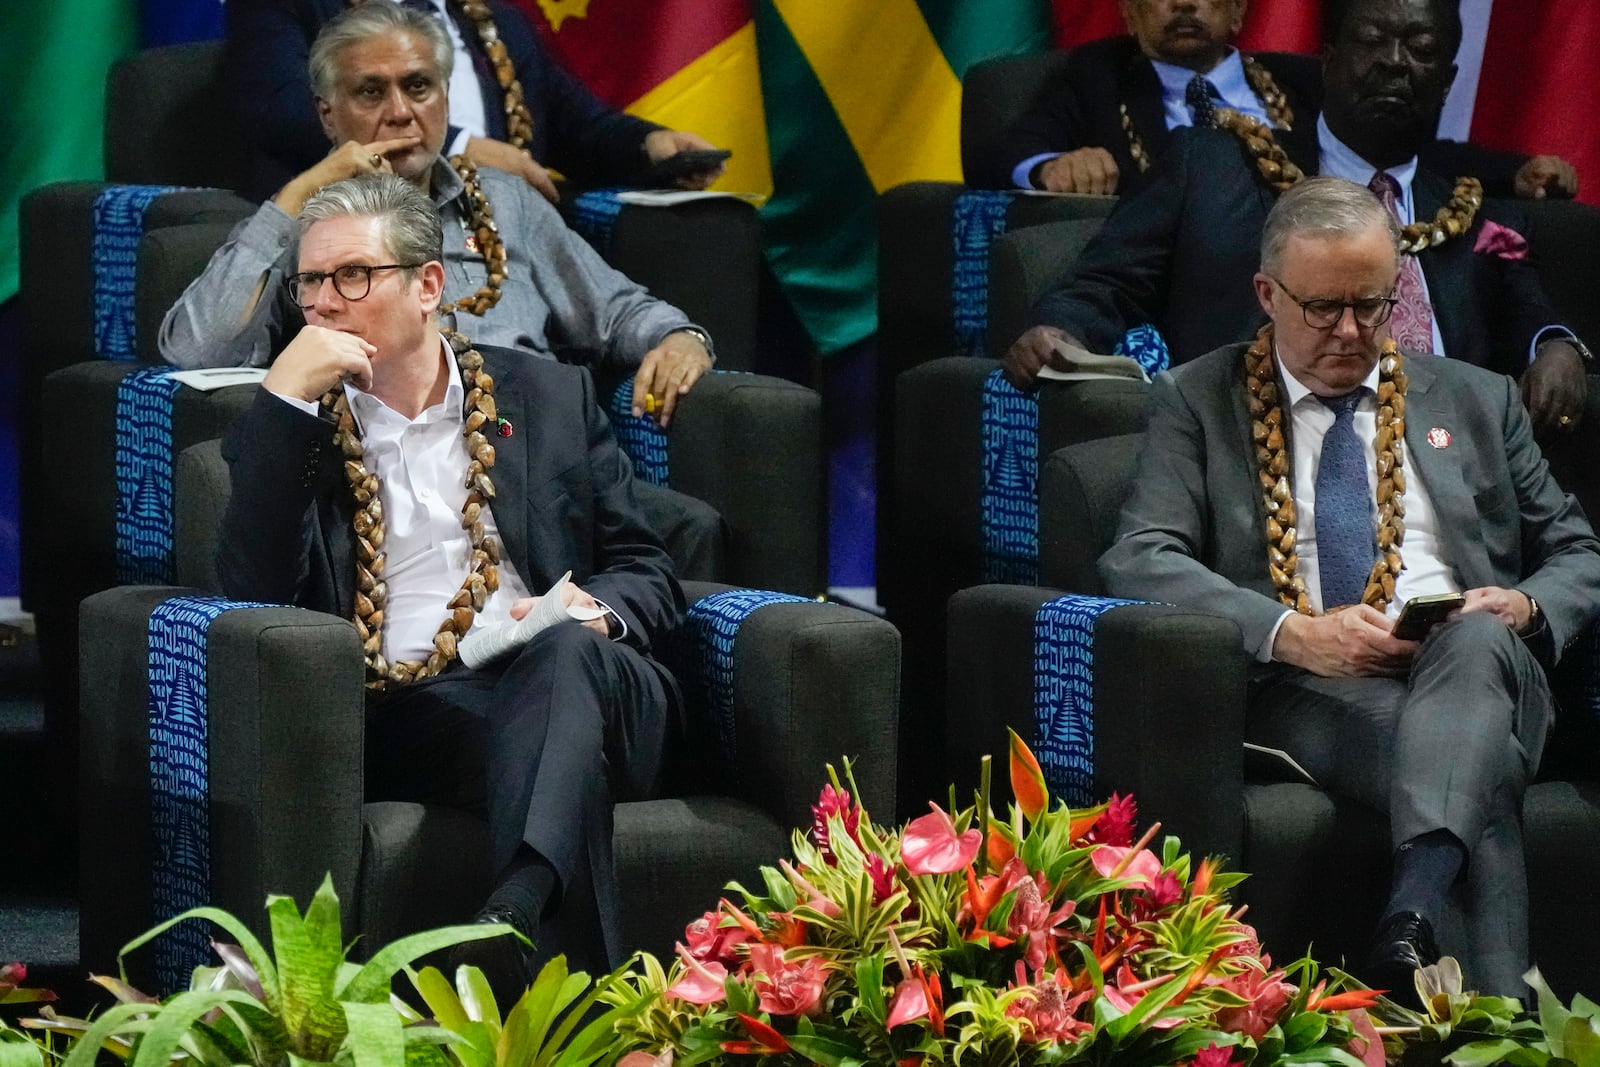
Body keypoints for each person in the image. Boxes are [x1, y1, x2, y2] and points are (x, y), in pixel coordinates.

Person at [1098, 175, 1600, 999]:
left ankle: (1413, 914)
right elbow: (1139, 555)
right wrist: (1294, 633)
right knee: (1478, 764)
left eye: (1371, 305)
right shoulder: (1196, 398)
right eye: (1321, 307)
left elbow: (1577, 552)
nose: (1350, 331)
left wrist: (1526, 604)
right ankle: (1488, 1005)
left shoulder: (1475, 398)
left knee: (1476, 639)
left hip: (1480, 662)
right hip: (1312, 683)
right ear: (1267, 293)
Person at [218, 171, 683, 990]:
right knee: (550, 740)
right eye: (310, 283)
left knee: (563, 655)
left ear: (428, 285)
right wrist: (284, 398)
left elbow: (648, 567)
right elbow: (253, 596)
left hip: (598, 687)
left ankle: (518, 906)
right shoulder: (292, 435)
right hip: (419, 714)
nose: (324, 303)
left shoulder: (547, 394)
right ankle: (531, 926)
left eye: (353, 276)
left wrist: (588, 614)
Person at [1003, 0, 1590, 441]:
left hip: (1446, 466)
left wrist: (1556, 345)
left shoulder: (1465, 206)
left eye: (1420, 47)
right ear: (1328, 61)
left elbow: (1526, 306)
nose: (1394, 63)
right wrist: (1060, 328)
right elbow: (1107, 280)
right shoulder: (1212, 167)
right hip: (1261, 453)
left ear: (1447, 79)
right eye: (1372, 41)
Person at [163, 1, 710, 427]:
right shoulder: (309, 231)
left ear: (445, 100)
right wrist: (295, 196)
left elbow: (619, 311)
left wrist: (682, 337)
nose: (400, 112)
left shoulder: (507, 203)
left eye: (418, 87)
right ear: (328, 117)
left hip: (535, 454)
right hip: (381, 473)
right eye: (371, 92)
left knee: (687, 528)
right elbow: (198, 349)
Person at [226, 0, 725, 204]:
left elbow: (577, 125)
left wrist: (651, 145)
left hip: (503, 248)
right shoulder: (286, 4)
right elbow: (282, 110)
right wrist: (457, 146)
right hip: (353, 232)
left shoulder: (495, 22)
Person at [990, 0, 1319, 195]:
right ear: (1130, 12)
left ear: (1237, 10)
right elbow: (1004, 153)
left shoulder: (1305, 80)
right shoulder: (1097, 76)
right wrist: (1050, 168)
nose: (1184, 3)